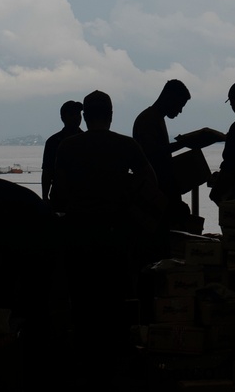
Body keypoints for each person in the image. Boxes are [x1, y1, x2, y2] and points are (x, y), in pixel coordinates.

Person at [55, 90, 163, 375]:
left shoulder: (68, 146)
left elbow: (58, 195)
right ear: (111, 115)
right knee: (115, 299)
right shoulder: (126, 145)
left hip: (78, 233)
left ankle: (84, 364)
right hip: (116, 233)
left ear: (85, 116)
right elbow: (149, 183)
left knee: (82, 301)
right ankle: (114, 364)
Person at [132, 79, 191, 228]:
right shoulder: (148, 119)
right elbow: (154, 154)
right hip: (155, 193)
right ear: (170, 98)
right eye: (180, 105)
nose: (180, 111)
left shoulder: (154, 118)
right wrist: (183, 143)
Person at [40, 100, 83, 205]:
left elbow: (47, 172)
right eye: (72, 114)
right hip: (62, 197)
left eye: (78, 114)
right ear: (63, 118)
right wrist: (45, 198)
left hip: (81, 197)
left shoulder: (54, 141)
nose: (76, 118)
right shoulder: (53, 142)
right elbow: (47, 172)